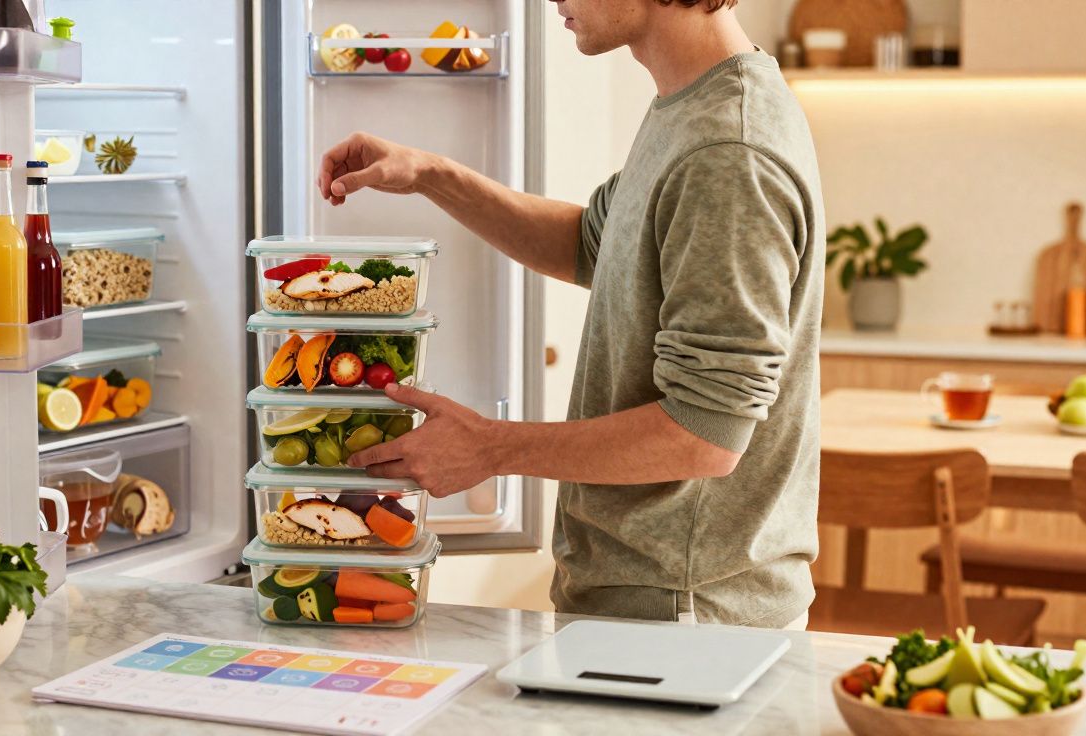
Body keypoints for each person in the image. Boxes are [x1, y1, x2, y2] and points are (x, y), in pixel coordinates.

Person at [323, 0, 824, 631]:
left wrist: (490, 449)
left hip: (685, 613)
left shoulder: (727, 151)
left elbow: (705, 433)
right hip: (650, 596)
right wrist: (431, 174)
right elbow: (592, 242)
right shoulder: (692, 104)